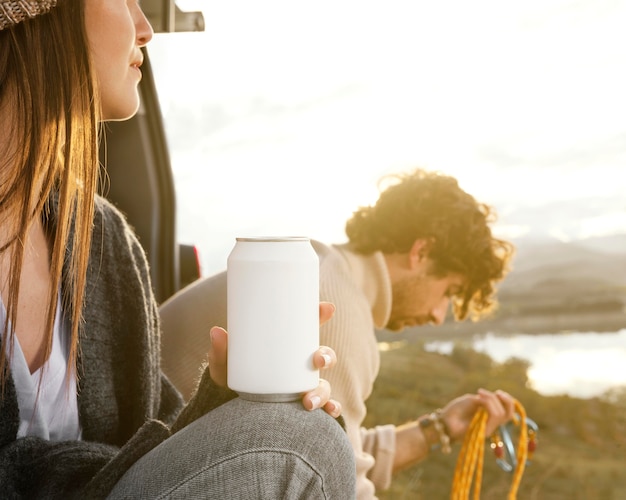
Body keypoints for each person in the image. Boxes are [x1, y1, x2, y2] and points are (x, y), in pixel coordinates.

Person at [0, 1, 356, 498]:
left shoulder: (104, 239)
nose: (145, 30)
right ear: (31, 15)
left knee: (302, 424)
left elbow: (150, 463)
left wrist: (227, 398)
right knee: (305, 449)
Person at [159, 168, 519, 498]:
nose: (439, 316)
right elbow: (338, 486)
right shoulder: (337, 302)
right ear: (421, 252)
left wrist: (439, 428)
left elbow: (336, 455)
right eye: (449, 292)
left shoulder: (326, 270)